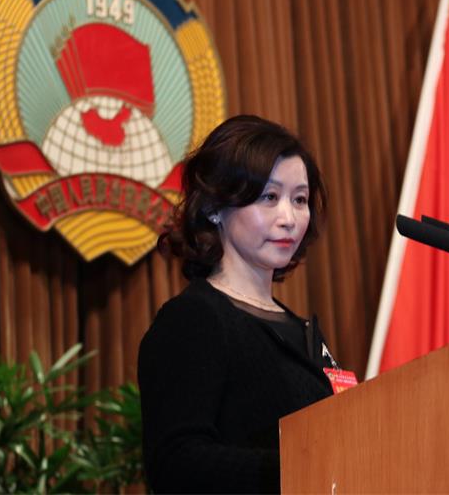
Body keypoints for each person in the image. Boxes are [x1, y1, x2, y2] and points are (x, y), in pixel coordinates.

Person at [138, 115, 337, 493]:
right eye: (269, 197)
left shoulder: (301, 331)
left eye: (299, 199)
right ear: (215, 206)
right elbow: (175, 462)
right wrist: (299, 468)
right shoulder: (193, 320)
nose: (289, 218)